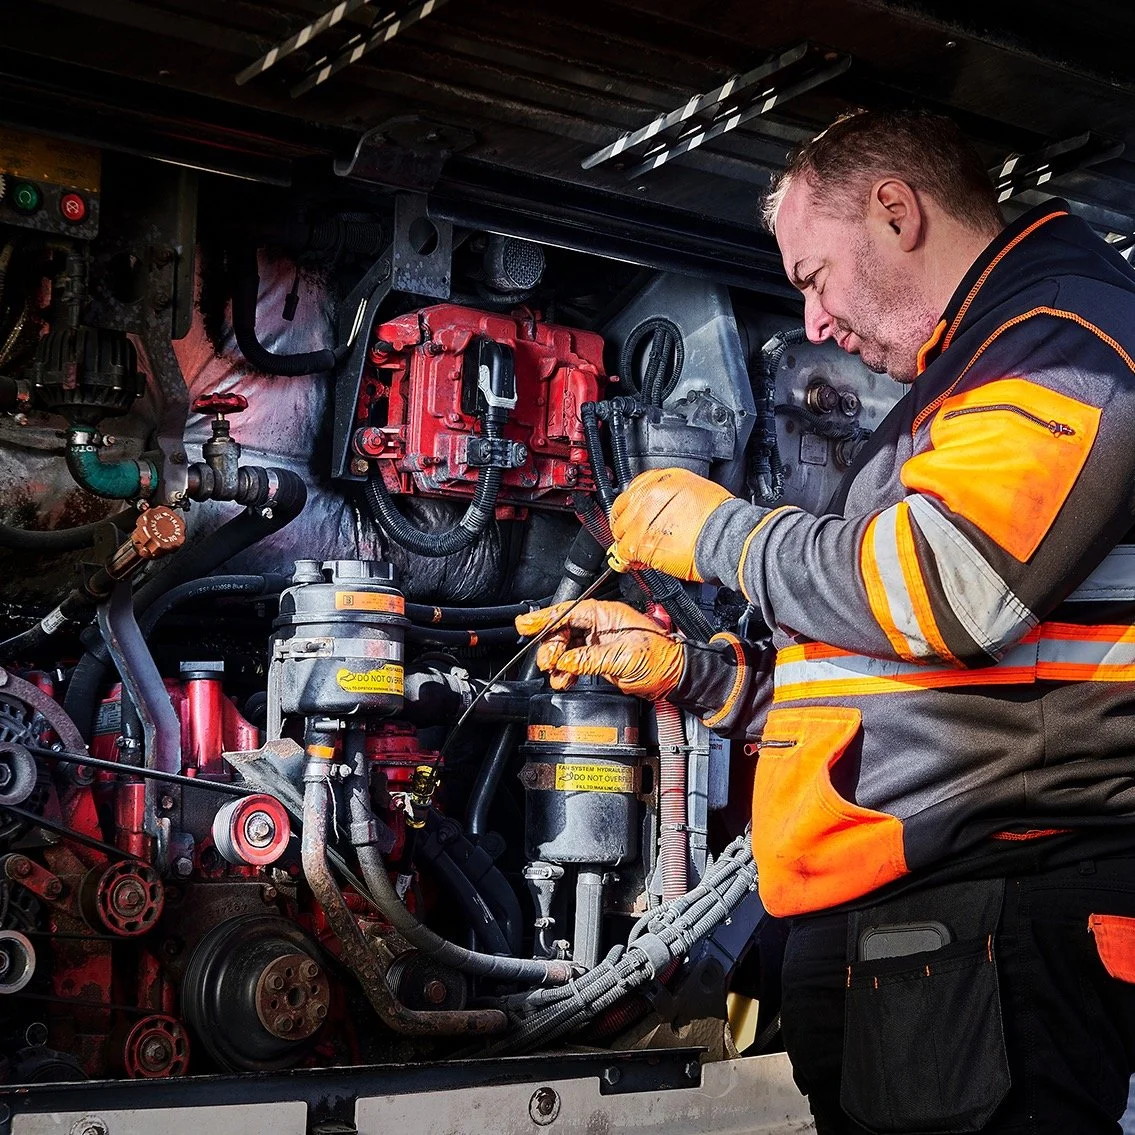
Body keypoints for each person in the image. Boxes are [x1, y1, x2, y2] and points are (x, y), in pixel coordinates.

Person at [516, 110, 1135, 1133]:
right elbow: (901, 676)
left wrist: (724, 535)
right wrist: (698, 675)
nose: (812, 323)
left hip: (997, 932)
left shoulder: (1065, 338)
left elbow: (953, 589)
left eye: (812, 276)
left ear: (895, 212)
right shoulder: (972, 364)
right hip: (942, 943)